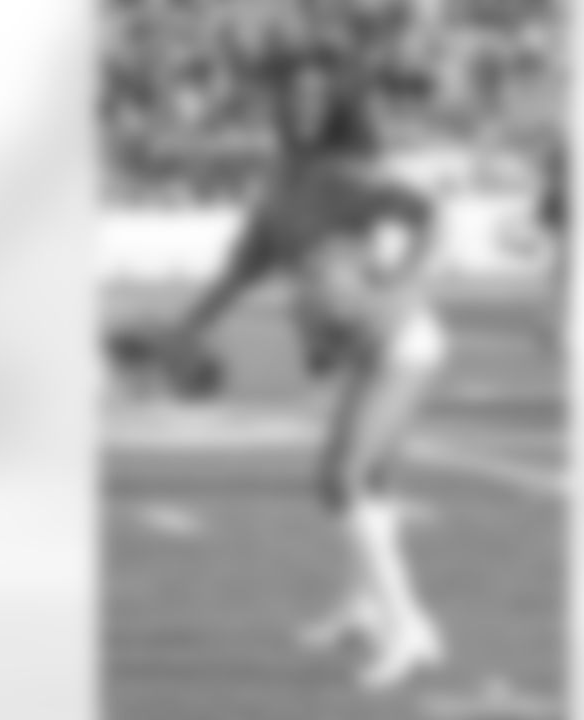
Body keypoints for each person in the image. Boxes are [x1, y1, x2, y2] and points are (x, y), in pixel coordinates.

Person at [120, 43, 451, 691]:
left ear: (335, 105)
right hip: (361, 346)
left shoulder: (342, 173)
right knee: (373, 483)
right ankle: (361, 613)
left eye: (315, 95)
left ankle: (408, 628)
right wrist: (186, 330)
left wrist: (403, 281)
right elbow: (240, 272)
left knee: (338, 479)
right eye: (291, 94)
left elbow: (432, 216)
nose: (301, 104)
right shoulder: (280, 182)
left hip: (401, 340)